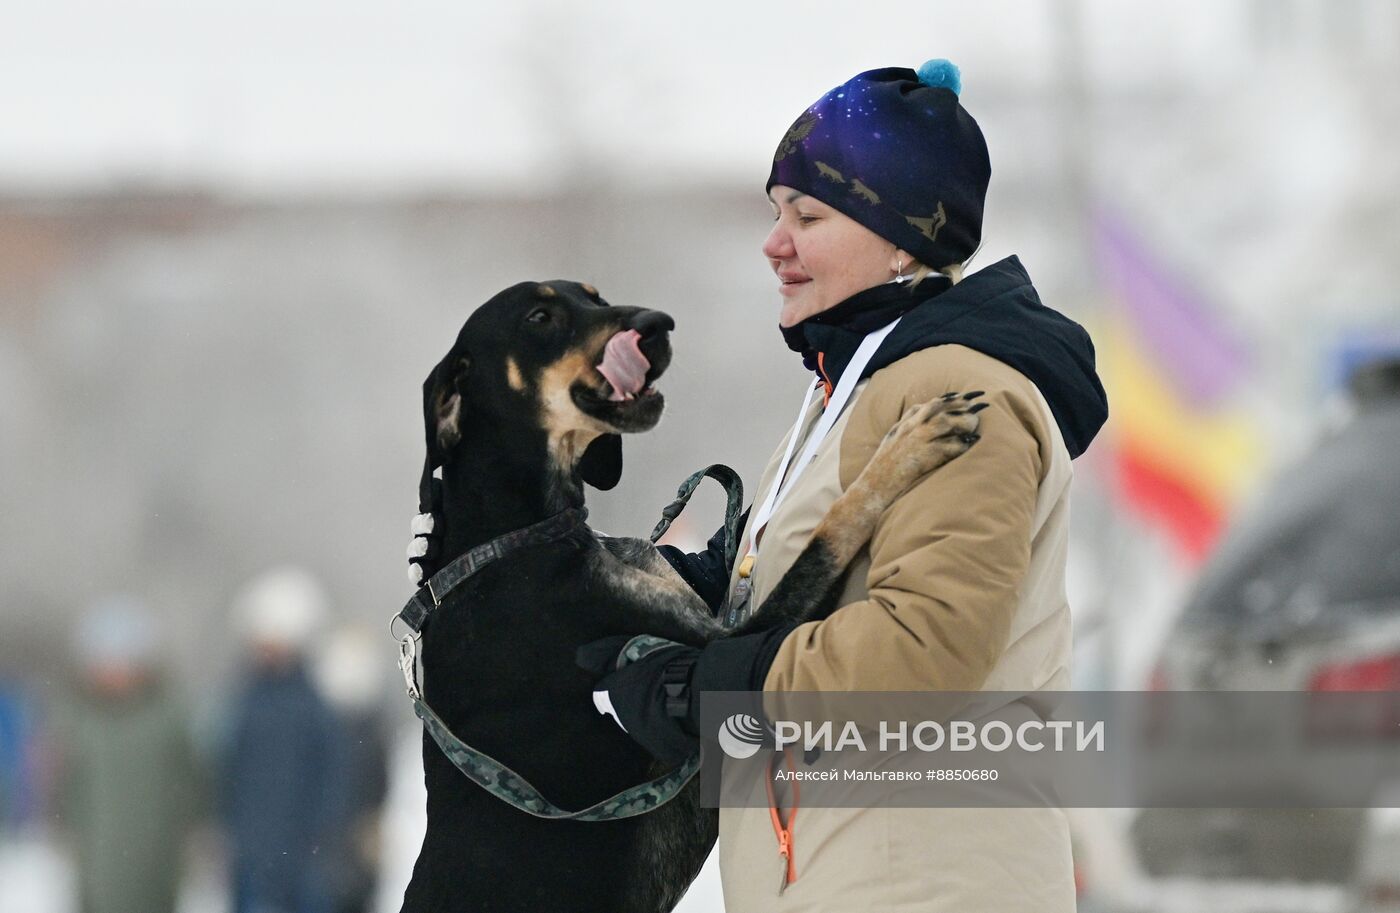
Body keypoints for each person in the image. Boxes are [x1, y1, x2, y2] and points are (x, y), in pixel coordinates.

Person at [576, 59, 1109, 911]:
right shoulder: (853, 388)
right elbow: (809, 603)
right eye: (775, 211)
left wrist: (705, 692)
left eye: (809, 215)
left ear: (902, 236)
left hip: (923, 883)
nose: (773, 241)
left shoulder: (959, 394)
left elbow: (925, 651)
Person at [51, 596, 203, 913]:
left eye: (122, 662)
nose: (114, 673)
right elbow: (68, 784)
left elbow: (191, 783)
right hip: (98, 855)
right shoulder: (81, 719)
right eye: (105, 662)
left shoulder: (168, 718)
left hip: (155, 855)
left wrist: (193, 832)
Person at [222, 566, 347, 913]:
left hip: (304, 856)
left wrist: (321, 838)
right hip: (252, 855)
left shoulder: (315, 706)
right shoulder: (245, 699)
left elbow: (332, 776)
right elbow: (229, 770)